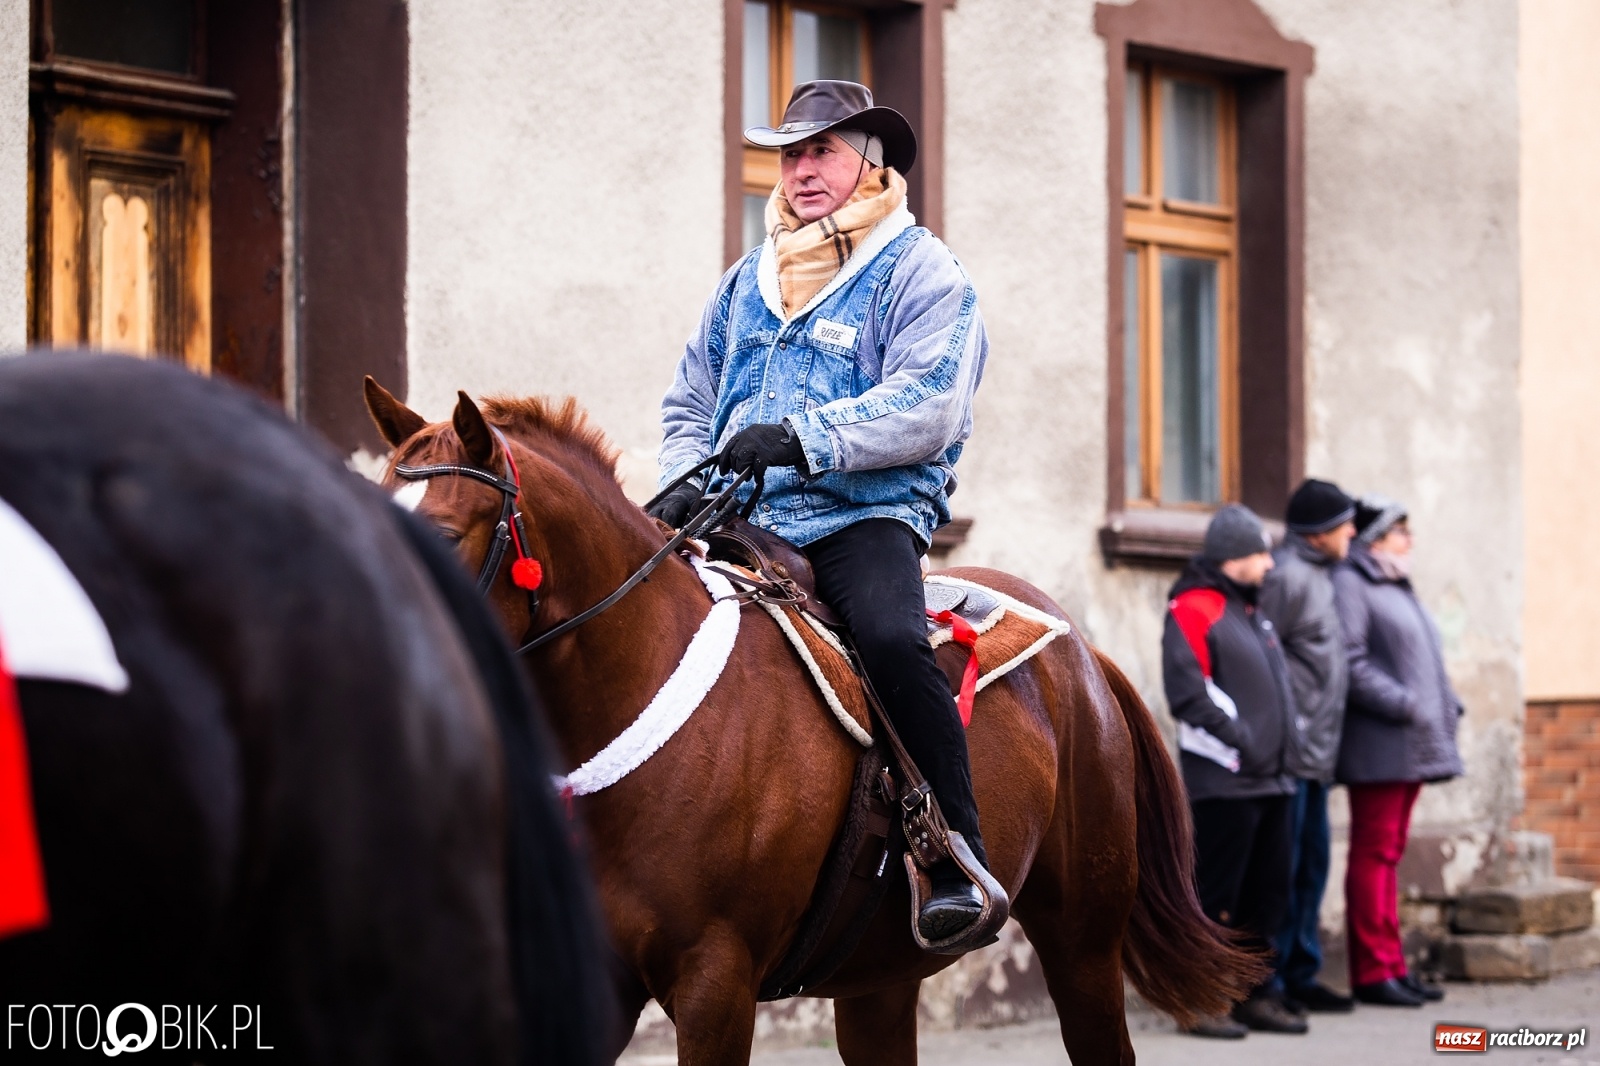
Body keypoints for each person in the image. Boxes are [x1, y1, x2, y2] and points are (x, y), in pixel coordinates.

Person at [647, 80, 996, 940]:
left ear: (869, 163)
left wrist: (803, 438)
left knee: (886, 636)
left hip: (861, 515)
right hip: (739, 514)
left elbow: (933, 401)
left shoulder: (921, 270)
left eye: (823, 152)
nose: (802, 170)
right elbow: (689, 400)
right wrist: (687, 473)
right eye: (791, 154)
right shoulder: (744, 282)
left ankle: (955, 855)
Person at [1163, 504, 1304, 1038]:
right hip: (1224, 782)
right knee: (1214, 899)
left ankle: (1255, 995)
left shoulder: (1253, 612)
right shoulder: (1194, 607)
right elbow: (1189, 693)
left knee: (1268, 896)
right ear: (1233, 557)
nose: (1269, 564)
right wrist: (1242, 743)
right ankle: (1199, 1000)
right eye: (1259, 553)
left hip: (1271, 779)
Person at [1334, 496, 1463, 1006]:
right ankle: (1371, 971)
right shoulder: (1353, 584)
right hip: (1381, 742)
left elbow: (1420, 659)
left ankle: (1392, 964)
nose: (1410, 541)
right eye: (1401, 532)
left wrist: (1446, 703)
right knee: (1374, 852)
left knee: (1389, 854)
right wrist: (1408, 704)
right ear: (1376, 539)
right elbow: (1352, 661)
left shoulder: (1394, 584)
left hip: (1411, 744)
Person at [1259, 479, 1358, 1015]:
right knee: (1284, 872)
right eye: (1345, 523)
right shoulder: (1289, 578)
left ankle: (1302, 972)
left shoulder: (1321, 577)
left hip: (1318, 756)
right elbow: (1265, 662)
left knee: (1312, 868)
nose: (1353, 532)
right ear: (1319, 533)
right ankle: (1272, 979)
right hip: (1291, 757)